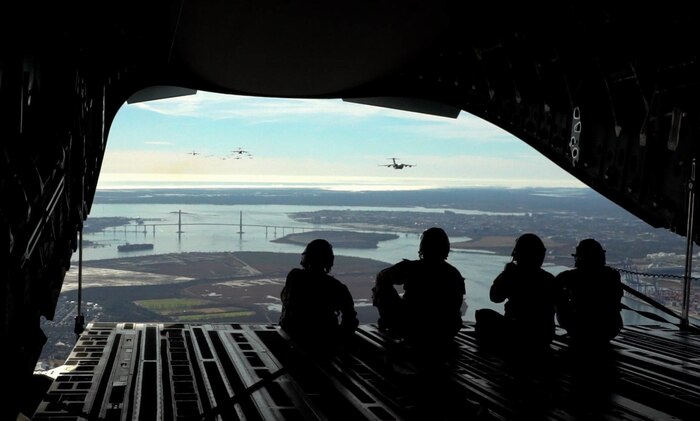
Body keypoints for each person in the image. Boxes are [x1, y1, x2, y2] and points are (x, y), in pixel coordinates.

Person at [372, 227, 466, 350]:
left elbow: (383, 277)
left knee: (382, 282)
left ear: (423, 247)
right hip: (445, 332)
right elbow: (456, 306)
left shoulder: (411, 268)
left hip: (411, 328)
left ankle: (387, 321)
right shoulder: (454, 274)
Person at [474, 233, 557, 354]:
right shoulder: (549, 279)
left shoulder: (513, 275)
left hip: (516, 334)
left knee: (483, 315)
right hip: (543, 338)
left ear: (517, 254)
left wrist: (506, 273)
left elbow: (495, 297)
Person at [279, 239, 359, 346]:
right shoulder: (337, 287)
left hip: (292, 335)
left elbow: (286, 300)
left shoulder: (294, 277)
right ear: (329, 261)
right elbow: (350, 319)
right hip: (323, 340)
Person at [555, 238, 623, 349]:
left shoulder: (569, 276)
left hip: (579, 328)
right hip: (610, 328)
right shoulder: (612, 275)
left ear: (580, 257)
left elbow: (550, 290)